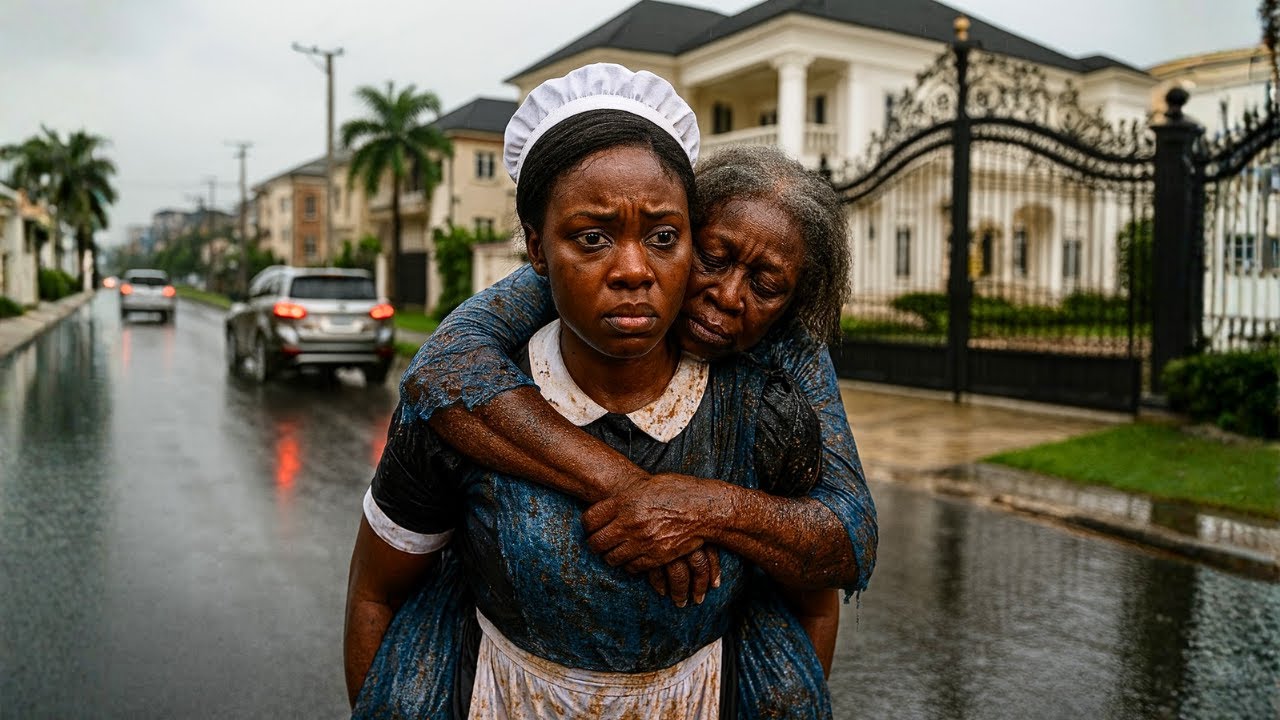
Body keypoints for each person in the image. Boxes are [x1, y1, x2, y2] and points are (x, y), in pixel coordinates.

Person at [346, 64, 839, 719]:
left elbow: (812, 601)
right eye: (592, 237)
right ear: (536, 248)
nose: (633, 269)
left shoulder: (761, 411)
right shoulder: (459, 412)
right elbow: (376, 596)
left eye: (663, 237)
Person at [395, 148, 877, 646]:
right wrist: (629, 487)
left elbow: (849, 537)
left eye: (766, 284)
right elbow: (439, 369)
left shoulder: (789, 348)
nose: (729, 297)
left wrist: (704, 508)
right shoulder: (589, 279)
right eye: (712, 260)